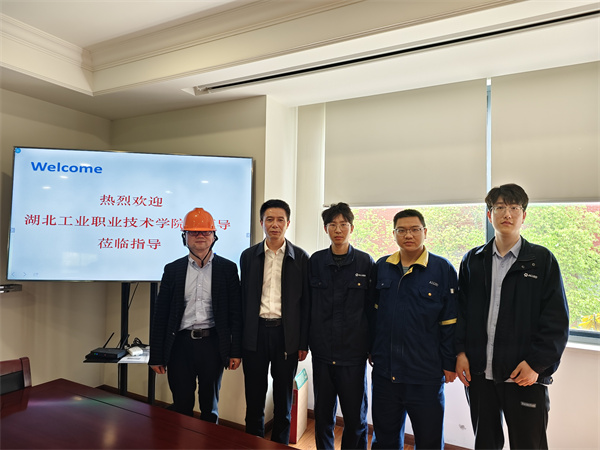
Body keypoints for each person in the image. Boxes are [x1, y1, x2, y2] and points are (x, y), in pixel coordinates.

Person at [455, 183, 569, 449]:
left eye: (514, 207)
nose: (507, 213)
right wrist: (459, 352)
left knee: (529, 444)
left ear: (524, 215)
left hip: (523, 375)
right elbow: (461, 312)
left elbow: (556, 321)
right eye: (500, 207)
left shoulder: (542, 260)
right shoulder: (473, 260)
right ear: (489, 214)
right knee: (485, 443)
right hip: (480, 374)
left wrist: (536, 365)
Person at [370, 209, 458, 450]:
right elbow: (373, 315)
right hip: (386, 374)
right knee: (384, 440)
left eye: (414, 229)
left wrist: (449, 362)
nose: (408, 235)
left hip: (425, 375)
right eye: (402, 230)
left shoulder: (442, 269)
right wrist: (373, 351)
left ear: (425, 232)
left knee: (429, 440)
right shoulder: (382, 266)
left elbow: (450, 321)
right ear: (394, 234)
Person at [149, 207, 242, 422]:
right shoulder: (172, 270)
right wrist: (156, 355)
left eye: (205, 231)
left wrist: (235, 351)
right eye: (193, 232)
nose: (200, 236)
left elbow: (236, 314)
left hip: (213, 345)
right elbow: (160, 316)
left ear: (214, 236)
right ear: (184, 237)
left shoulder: (227, 269)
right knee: (182, 404)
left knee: (210, 407)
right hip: (179, 346)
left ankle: (209, 440)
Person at [240, 199, 310, 444]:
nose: (275, 224)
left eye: (280, 220)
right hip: (255, 334)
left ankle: (280, 444)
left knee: (283, 399)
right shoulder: (248, 256)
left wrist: (302, 343)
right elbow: (242, 300)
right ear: (261, 222)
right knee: (254, 398)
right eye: (269, 219)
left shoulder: (301, 257)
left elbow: (306, 305)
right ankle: (253, 442)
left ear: (288, 223)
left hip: (285, 336)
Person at [308, 202, 375, 450]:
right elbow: (307, 306)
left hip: (353, 355)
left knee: (356, 418)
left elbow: (372, 310)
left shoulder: (365, 262)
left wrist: (371, 348)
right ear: (325, 228)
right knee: (323, 416)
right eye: (333, 225)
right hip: (323, 353)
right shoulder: (315, 262)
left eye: (343, 224)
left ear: (352, 228)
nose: (338, 230)